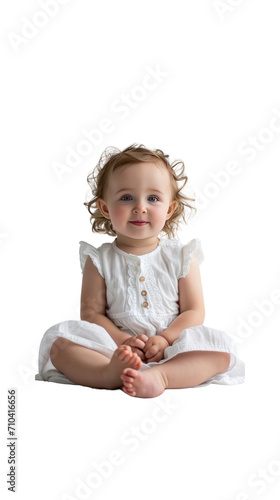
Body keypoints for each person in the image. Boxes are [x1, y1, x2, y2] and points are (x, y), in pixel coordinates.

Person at [37, 144, 245, 398]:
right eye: (126, 197)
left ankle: (162, 375)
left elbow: (194, 311)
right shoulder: (99, 259)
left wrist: (166, 339)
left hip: (172, 347)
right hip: (114, 347)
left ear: (169, 209)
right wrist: (122, 342)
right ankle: (107, 372)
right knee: (59, 345)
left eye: (153, 198)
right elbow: (92, 314)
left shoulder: (182, 256)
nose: (140, 207)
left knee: (220, 350)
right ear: (105, 208)